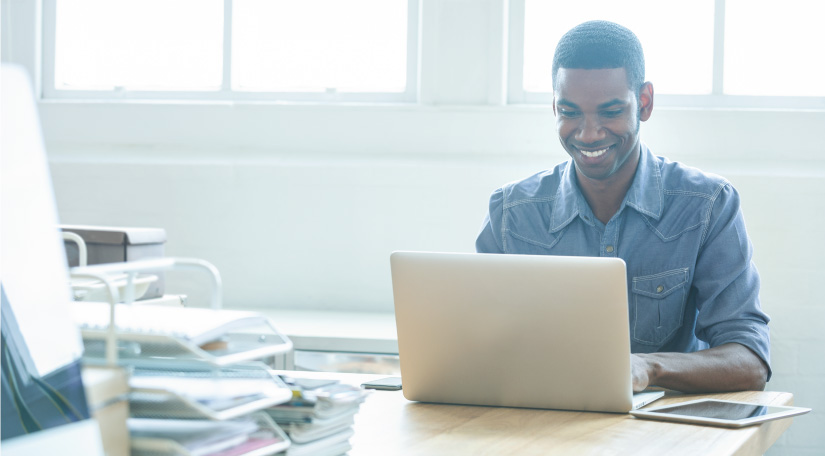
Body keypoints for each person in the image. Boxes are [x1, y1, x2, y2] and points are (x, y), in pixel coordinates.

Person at [475, 20, 770, 393]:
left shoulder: (707, 205)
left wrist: (648, 367)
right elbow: (476, 342)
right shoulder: (512, 213)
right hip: (542, 423)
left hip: (659, 435)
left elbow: (750, 362)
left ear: (644, 103)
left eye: (610, 112)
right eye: (570, 112)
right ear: (554, 107)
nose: (588, 133)